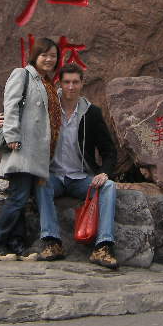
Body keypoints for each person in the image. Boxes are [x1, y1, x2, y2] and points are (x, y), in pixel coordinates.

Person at [36, 63, 120, 269]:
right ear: (60, 83)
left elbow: (109, 151)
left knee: (108, 187)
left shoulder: (91, 113)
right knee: (40, 182)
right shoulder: (48, 108)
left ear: (82, 84)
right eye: (67, 82)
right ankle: (52, 241)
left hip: (82, 178)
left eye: (75, 82)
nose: (71, 87)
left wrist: (104, 173)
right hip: (54, 176)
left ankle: (104, 246)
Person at [0, 38, 60, 260]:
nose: (49, 59)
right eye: (44, 54)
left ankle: (17, 246)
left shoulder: (46, 83)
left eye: (53, 56)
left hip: (36, 151)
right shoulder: (23, 74)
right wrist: (12, 136)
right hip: (21, 147)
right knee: (18, 196)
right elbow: (11, 104)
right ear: (35, 56)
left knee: (21, 196)